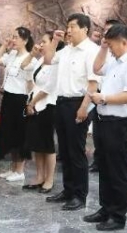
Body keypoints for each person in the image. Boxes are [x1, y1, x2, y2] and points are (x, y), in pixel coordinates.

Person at [84, 24, 127, 231]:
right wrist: (103, 48)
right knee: (105, 167)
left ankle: (118, 215)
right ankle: (106, 208)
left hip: (120, 123)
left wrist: (104, 98)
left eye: (111, 45)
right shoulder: (115, 60)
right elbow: (96, 69)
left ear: (124, 42)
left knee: (118, 170)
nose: (109, 49)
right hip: (105, 120)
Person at [42, 13, 100, 211]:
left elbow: (93, 83)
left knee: (76, 151)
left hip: (78, 103)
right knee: (65, 151)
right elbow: (48, 59)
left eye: (73, 26)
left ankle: (79, 195)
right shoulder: (66, 49)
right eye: (68, 26)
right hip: (61, 102)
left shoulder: (91, 51)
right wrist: (55, 41)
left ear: (85, 29)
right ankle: (68, 190)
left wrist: (84, 108)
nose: (69, 30)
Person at [0, 26, 37, 184]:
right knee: (8, 133)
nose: (13, 39)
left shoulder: (31, 59)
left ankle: (20, 170)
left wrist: (30, 102)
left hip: (21, 99)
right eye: (13, 36)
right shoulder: (11, 55)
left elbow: (31, 83)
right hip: (9, 97)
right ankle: (12, 168)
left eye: (16, 37)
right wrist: (4, 46)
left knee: (19, 134)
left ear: (25, 40)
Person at [24, 32, 65, 194]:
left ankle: (49, 180)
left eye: (44, 42)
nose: (40, 44)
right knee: (37, 144)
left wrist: (32, 103)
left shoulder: (55, 62)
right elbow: (28, 72)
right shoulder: (41, 60)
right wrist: (30, 102)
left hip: (47, 106)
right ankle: (39, 177)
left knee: (47, 145)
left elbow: (49, 87)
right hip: (35, 106)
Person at [89, 19, 121, 173]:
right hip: (99, 95)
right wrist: (103, 48)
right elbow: (96, 69)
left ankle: (109, 164)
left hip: (114, 100)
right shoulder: (102, 50)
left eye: (110, 30)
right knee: (98, 133)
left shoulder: (122, 56)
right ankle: (98, 161)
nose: (106, 33)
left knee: (113, 138)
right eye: (105, 30)